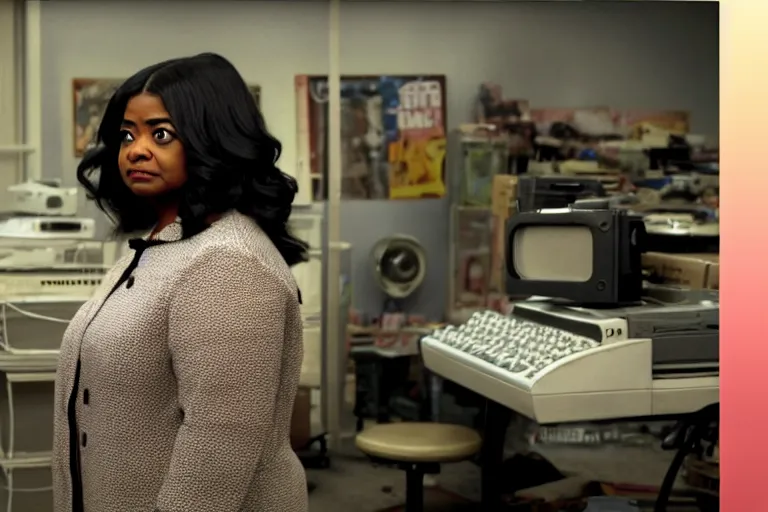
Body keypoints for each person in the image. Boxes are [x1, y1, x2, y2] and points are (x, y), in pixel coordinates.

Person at [52, 53, 310, 512]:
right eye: (127, 135)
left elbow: (217, 451)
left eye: (162, 134)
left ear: (214, 139)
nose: (136, 150)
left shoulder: (228, 262)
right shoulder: (163, 242)